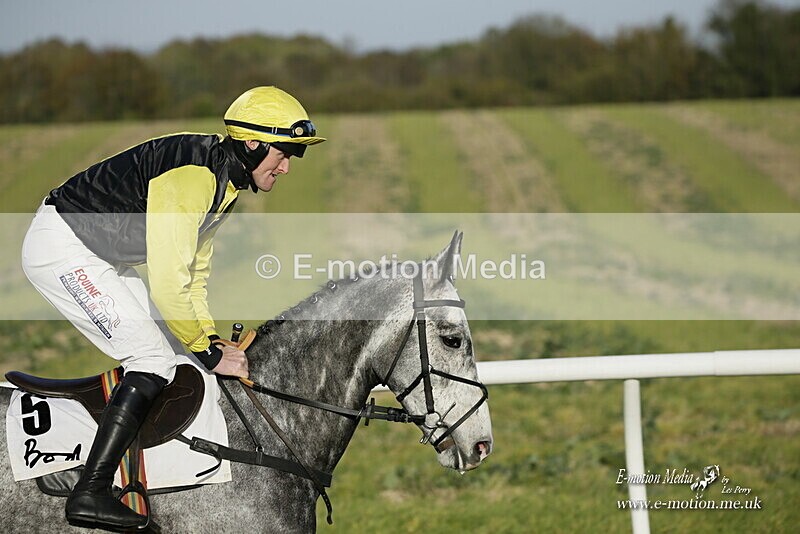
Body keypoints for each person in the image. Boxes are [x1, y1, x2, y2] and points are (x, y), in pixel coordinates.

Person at [20, 86, 325, 531]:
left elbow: (193, 276)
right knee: (152, 358)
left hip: (99, 255)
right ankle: (90, 490)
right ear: (252, 143)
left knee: (176, 354)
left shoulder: (224, 185)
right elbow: (167, 286)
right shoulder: (194, 179)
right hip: (64, 248)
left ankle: (151, 477)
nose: (286, 167)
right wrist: (209, 352)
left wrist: (209, 338)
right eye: (284, 153)